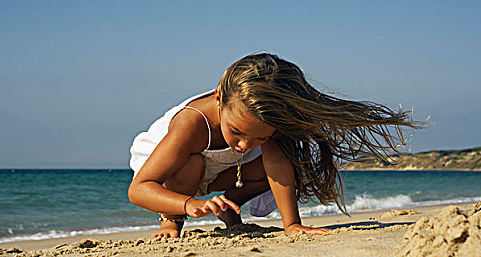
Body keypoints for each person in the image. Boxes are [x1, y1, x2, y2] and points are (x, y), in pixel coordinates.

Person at [128, 53, 419, 239]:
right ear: (219, 98)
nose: (244, 145)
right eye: (237, 132)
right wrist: (189, 205)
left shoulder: (264, 115)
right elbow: (139, 188)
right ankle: (170, 221)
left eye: (260, 138)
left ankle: (229, 208)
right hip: (175, 172)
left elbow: (278, 167)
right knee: (193, 165)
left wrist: (292, 225)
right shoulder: (192, 122)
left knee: (275, 168)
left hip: (223, 170)